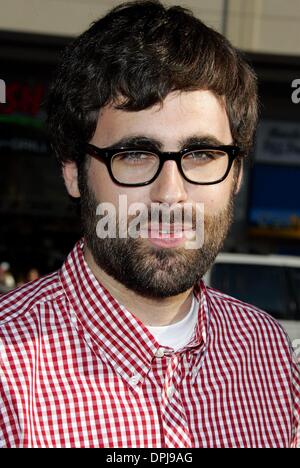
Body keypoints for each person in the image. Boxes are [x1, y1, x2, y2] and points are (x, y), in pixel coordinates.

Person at [0, 0, 299, 449]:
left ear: (236, 173)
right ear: (72, 171)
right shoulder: (9, 371)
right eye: (136, 155)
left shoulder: (267, 353)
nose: (171, 194)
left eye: (201, 154)